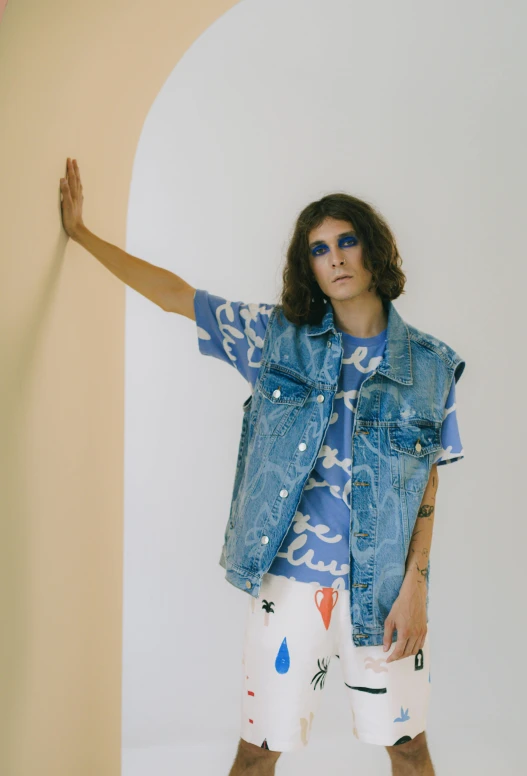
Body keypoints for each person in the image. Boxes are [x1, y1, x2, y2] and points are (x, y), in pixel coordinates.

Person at [60, 158, 465, 776]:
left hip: (385, 591)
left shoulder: (432, 367)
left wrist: (415, 588)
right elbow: (176, 296)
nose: (335, 258)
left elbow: (427, 482)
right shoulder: (276, 339)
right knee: (257, 752)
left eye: (347, 241)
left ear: (373, 250)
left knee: (409, 747)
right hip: (290, 584)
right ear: (308, 266)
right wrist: (83, 235)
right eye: (319, 249)